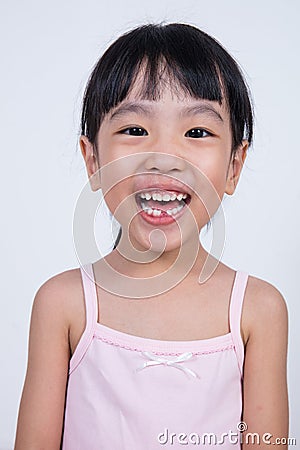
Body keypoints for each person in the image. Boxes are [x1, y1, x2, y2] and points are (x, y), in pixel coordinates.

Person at [15, 23, 289, 449]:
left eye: (197, 132)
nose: (164, 158)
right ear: (93, 161)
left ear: (235, 165)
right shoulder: (63, 304)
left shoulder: (258, 311)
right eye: (135, 130)